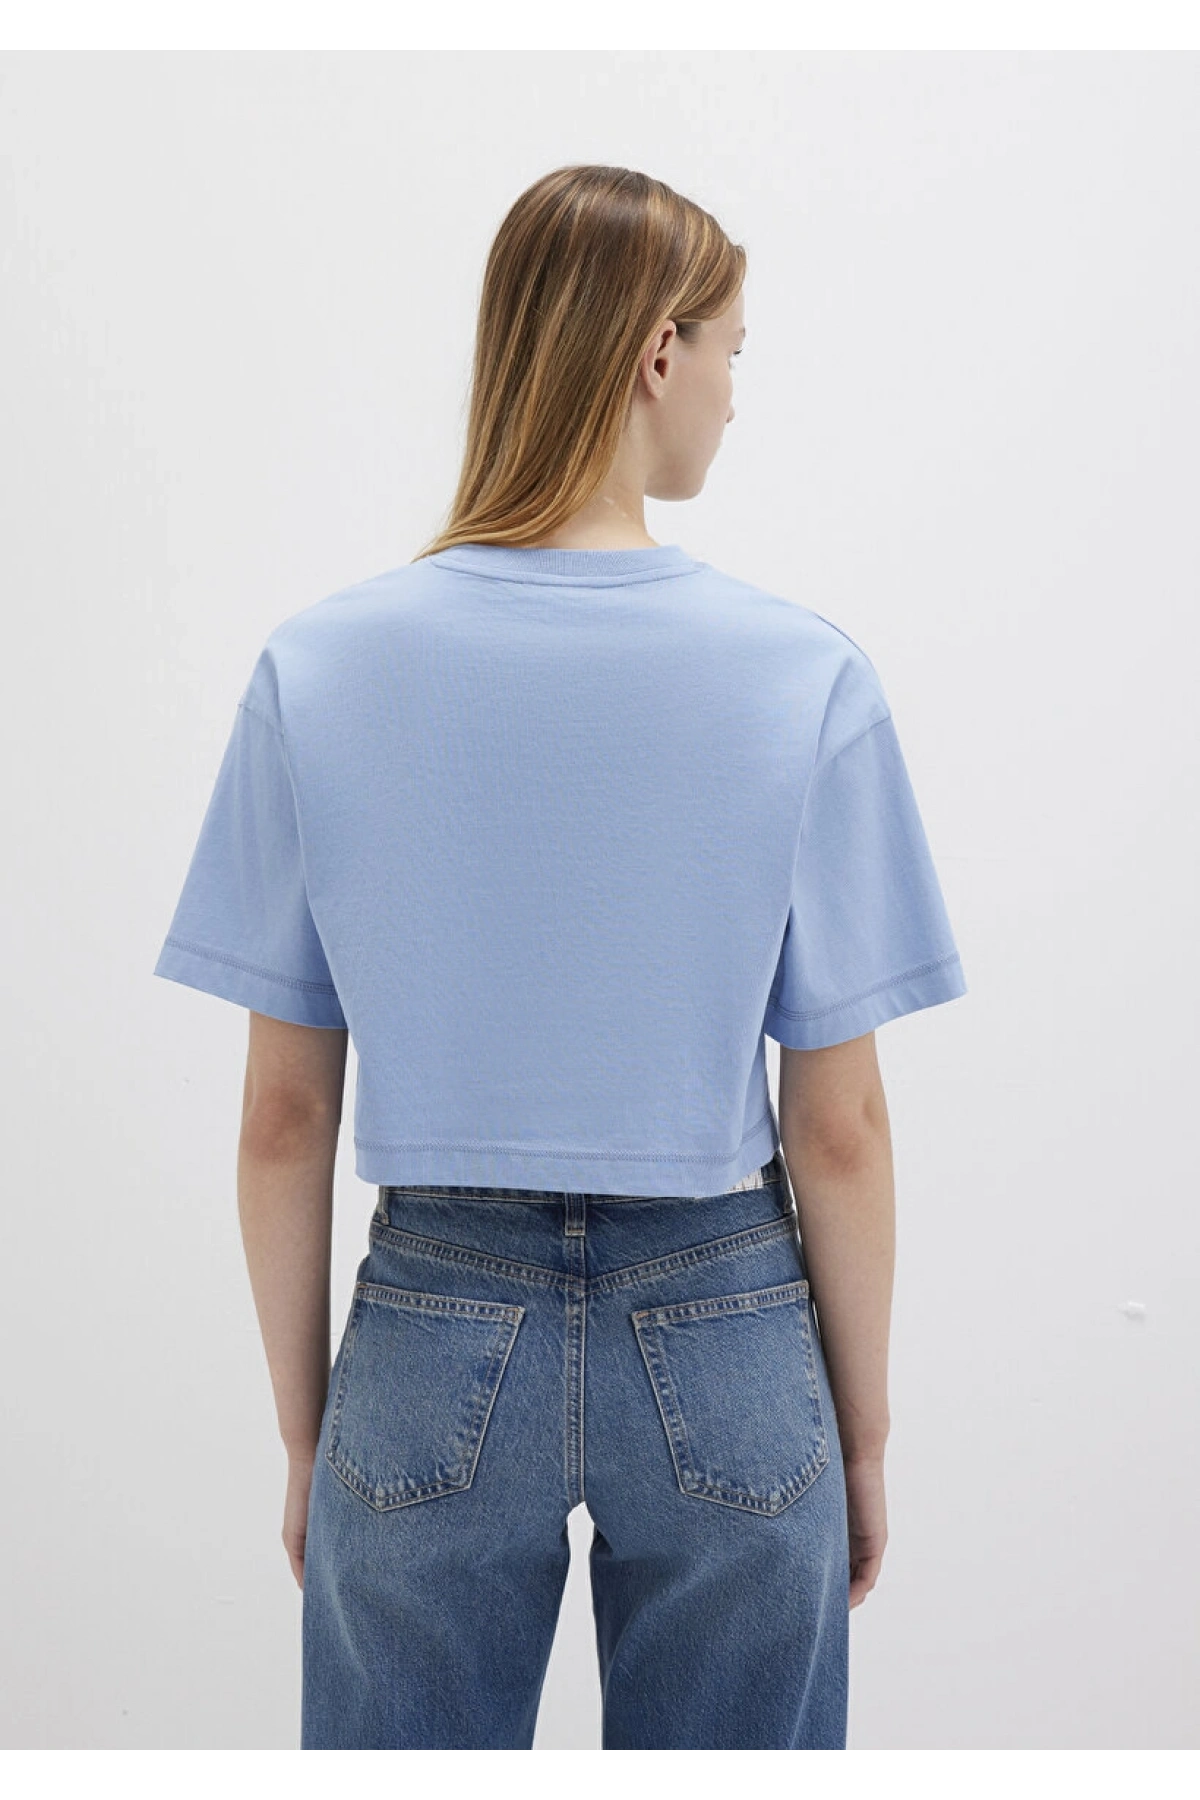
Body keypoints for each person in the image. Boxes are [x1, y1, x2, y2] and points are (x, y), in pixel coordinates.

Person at [153, 163, 967, 1752]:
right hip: (728, 1325)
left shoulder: (318, 669)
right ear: (659, 351)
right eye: (731, 351)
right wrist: (862, 1436)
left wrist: (313, 1438)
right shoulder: (801, 676)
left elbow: (282, 1118)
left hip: (431, 1322)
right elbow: (841, 1130)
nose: (734, 395)